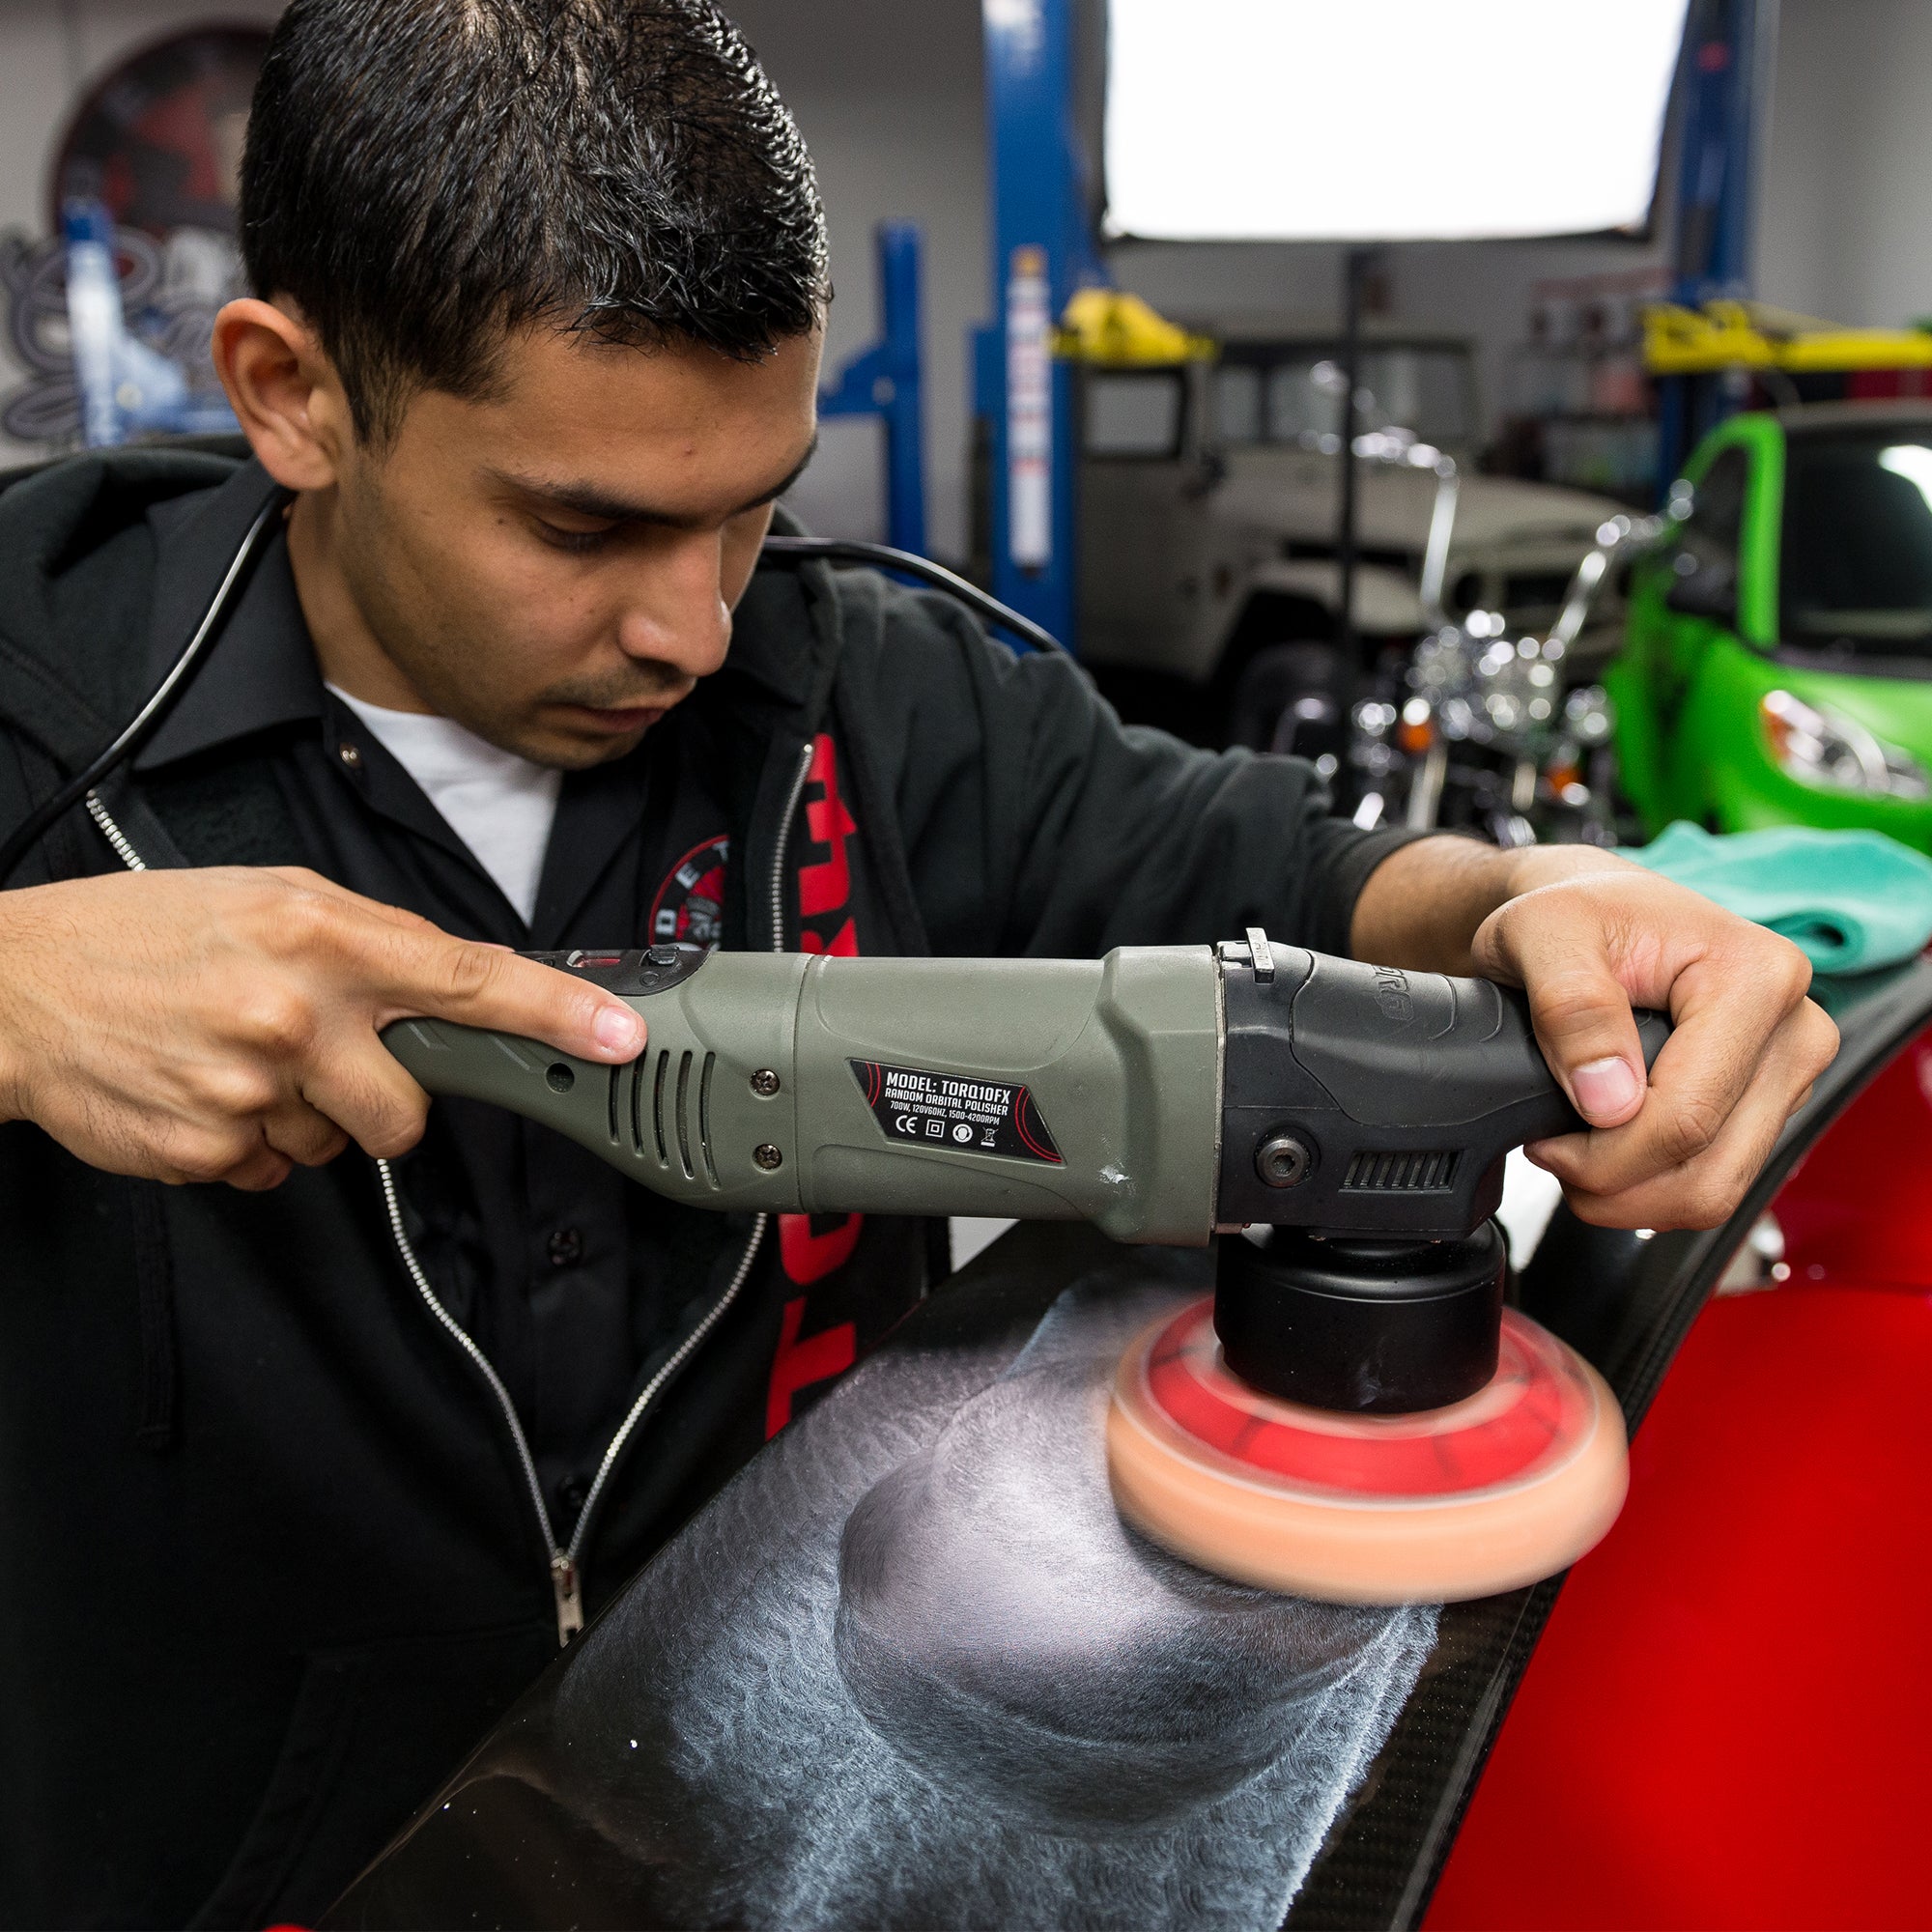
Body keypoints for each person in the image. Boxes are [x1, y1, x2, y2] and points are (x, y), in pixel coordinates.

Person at [0, 1, 1834, 1922]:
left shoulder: (877, 690)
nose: (697, 631)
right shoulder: (44, 709)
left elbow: (1296, 868)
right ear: (292, 392)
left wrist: (1533, 898)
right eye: (585, 525)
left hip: (768, 1826)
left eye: (751, 509)